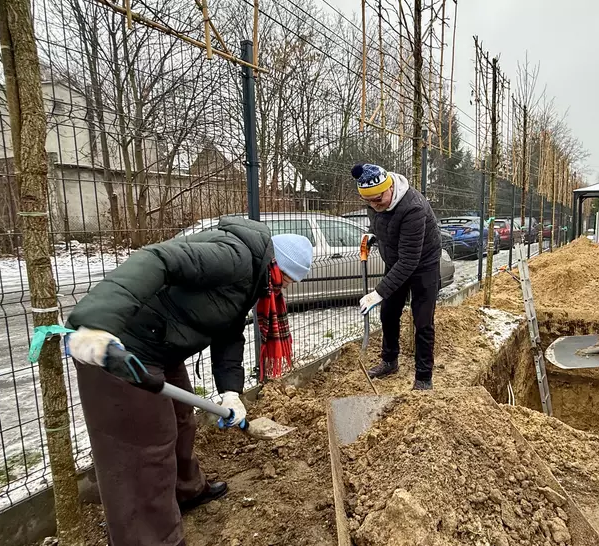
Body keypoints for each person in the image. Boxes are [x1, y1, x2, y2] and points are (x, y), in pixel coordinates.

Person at [66, 218, 312, 546]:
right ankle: (151, 537)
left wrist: (230, 392)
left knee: (182, 419)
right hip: (117, 349)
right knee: (145, 449)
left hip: (160, 346)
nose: (283, 290)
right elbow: (156, 259)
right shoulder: (235, 256)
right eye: (286, 281)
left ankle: (185, 490)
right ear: (276, 266)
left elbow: (229, 331)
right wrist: (95, 324)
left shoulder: (251, 278)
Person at [352, 163, 442, 390]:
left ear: (389, 187)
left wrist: (378, 292)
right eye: (369, 201)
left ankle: (423, 378)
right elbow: (384, 226)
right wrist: (374, 236)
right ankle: (389, 361)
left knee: (422, 321)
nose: (374, 205)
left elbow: (410, 260)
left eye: (378, 199)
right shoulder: (375, 202)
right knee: (389, 313)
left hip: (423, 264)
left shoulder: (413, 207)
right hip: (396, 261)